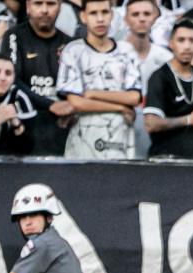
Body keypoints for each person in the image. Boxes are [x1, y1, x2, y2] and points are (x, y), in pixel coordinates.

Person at [57, 0, 143, 159]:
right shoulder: (73, 51)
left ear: (112, 15)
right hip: (83, 141)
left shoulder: (127, 51)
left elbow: (134, 97)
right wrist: (121, 108)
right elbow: (76, 102)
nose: (100, 19)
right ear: (83, 16)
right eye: (93, 13)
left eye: (104, 12)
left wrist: (92, 93)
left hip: (120, 139)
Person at [0, 0, 75, 155]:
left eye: (51, 4)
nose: (44, 10)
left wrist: (71, 107)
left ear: (60, 7)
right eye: (38, 3)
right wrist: (50, 105)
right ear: (28, 7)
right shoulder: (13, 36)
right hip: (21, 130)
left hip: (61, 131)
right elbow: (11, 82)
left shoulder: (71, 45)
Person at [145, 17, 193, 158]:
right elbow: (151, 123)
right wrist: (190, 120)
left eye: (192, 41)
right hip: (166, 161)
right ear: (171, 43)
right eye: (181, 40)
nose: (187, 46)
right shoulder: (160, 76)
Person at [124, 0, 174, 158]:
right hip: (120, 127)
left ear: (155, 18)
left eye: (146, 14)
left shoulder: (166, 58)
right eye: (135, 14)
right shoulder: (114, 54)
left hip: (156, 133)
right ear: (125, 19)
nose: (141, 19)